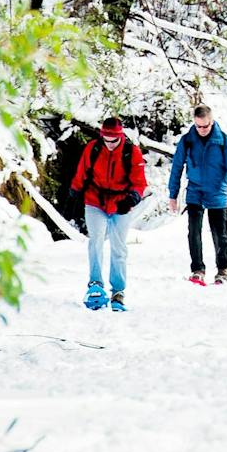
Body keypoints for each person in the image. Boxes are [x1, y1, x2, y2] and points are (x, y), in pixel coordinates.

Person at [71, 115, 147, 311]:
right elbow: (82, 171)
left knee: (118, 247)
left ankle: (118, 291)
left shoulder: (132, 152)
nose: (110, 144)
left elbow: (139, 182)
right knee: (95, 240)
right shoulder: (93, 148)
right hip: (95, 200)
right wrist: (75, 189)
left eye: (113, 140)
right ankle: (95, 285)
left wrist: (132, 198)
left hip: (121, 203)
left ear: (120, 137)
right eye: (106, 139)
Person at [167, 104, 227, 286]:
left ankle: (222, 269)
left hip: (217, 191)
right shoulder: (187, 140)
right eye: (198, 126)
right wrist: (173, 195)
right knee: (194, 232)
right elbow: (177, 167)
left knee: (220, 234)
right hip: (195, 191)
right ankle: (197, 269)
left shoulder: (223, 140)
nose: (202, 130)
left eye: (205, 126)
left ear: (212, 121)